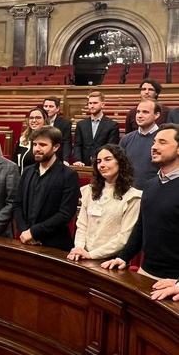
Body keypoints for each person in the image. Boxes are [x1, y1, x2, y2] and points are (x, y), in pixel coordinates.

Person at [101, 124, 179, 302]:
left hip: (173, 283)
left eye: (162, 142)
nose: (154, 147)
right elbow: (141, 225)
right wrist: (124, 257)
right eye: (154, 142)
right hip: (146, 272)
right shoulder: (151, 185)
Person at [67, 145, 141, 261]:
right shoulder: (89, 191)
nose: (101, 165)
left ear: (120, 162)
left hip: (111, 261)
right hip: (82, 256)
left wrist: (92, 255)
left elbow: (124, 237)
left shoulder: (133, 196)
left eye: (107, 159)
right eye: (98, 161)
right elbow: (82, 225)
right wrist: (79, 248)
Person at [14, 126, 80, 251]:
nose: (37, 149)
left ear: (55, 147)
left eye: (42, 145)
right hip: (25, 241)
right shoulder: (28, 171)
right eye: (34, 144)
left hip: (54, 245)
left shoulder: (68, 175)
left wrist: (34, 232)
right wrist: (24, 231)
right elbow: (17, 204)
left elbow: (65, 214)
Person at [119, 99, 160, 189]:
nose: (140, 115)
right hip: (129, 191)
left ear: (156, 115)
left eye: (145, 112)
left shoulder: (163, 139)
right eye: (138, 112)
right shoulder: (126, 139)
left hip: (154, 191)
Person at [73, 91, 120, 166]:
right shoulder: (81, 124)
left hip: (103, 165)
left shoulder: (112, 125)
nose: (92, 106)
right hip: (84, 164)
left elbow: (111, 148)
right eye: (90, 103)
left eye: (95, 103)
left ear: (102, 105)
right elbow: (78, 145)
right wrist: (78, 160)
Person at [12, 106, 49, 173]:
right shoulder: (23, 139)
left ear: (45, 120)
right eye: (31, 118)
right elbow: (14, 162)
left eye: (38, 118)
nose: (34, 120)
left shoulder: (50, 140)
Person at [42, 96, 72, 162]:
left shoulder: (65, 123)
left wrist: (65, 160)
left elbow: (66, 143)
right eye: (45, 106)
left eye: (51, 106)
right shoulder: (40, 121)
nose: (47, 109)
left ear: (57, 108)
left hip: (58, 158)